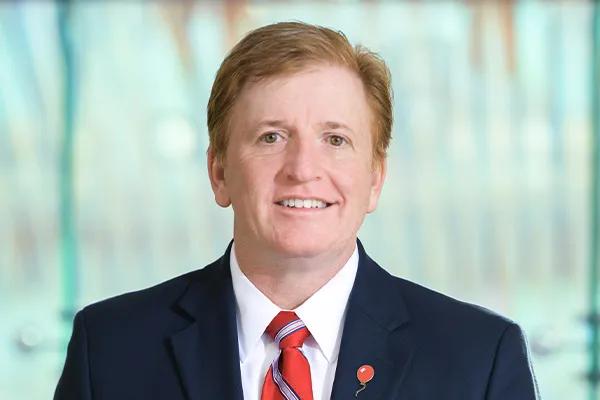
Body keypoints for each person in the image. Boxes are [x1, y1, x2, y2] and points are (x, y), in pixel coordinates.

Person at [54, 22, 539, 400]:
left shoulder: (480, 358)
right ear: (219, 172)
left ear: (375, 179)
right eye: (271, 137)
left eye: (335, 140)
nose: (303, 169)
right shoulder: (111, 348)